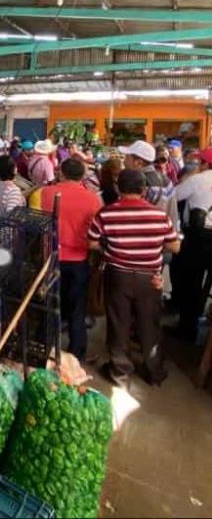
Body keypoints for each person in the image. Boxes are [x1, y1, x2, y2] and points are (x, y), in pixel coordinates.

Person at [88, 169, 180, 387]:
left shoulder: (106, 213)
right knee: (149, 324)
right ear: (144, 190)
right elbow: (174, 246)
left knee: (118, 322)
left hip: (118, 276)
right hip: (149, 278)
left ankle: (119, 373)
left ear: (119, 188)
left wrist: (111, 247)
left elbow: (92, 243)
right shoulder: (159, 215)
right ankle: (153, 372)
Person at [41, 158, 102, 362]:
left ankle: (44, 348)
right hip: (79, 259)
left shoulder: (47, 193)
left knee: (50, 304)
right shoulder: (93, 199)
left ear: (61, 173)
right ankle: (77, 353)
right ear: (83, 176)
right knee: (77, 309)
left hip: (52, 257)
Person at [172, 147, 212, 342]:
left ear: (205, 164)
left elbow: (174, 195)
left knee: (190, 281)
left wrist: (189, 177)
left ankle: (187, 330)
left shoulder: (198, 180)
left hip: (198, 236)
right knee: (202, 284)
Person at [120, 140, 178, 230]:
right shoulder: (167, 181)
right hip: (160, 236)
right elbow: (173, 214)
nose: (124, 162)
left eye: (127, 158)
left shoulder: (133, 183)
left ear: (138, 163)